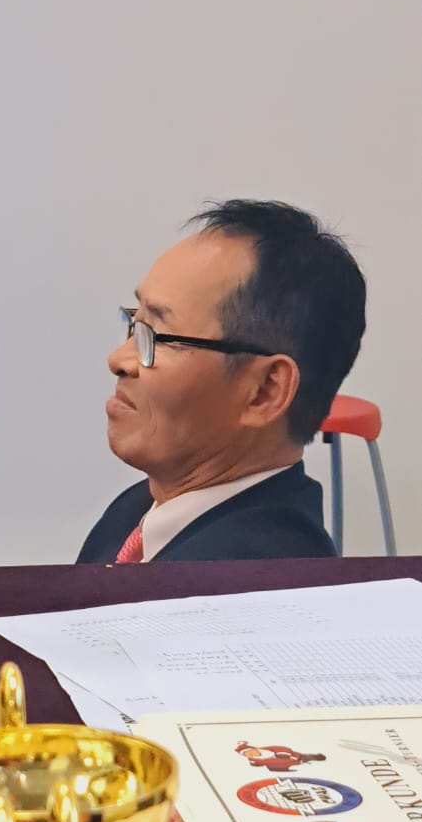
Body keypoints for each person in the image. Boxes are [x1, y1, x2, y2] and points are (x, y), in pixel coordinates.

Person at [78, 199, 367, 564]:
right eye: (136, 324)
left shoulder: (249, 581)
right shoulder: (139, 510)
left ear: (264, 392)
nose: (119, 359)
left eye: (157, 336)